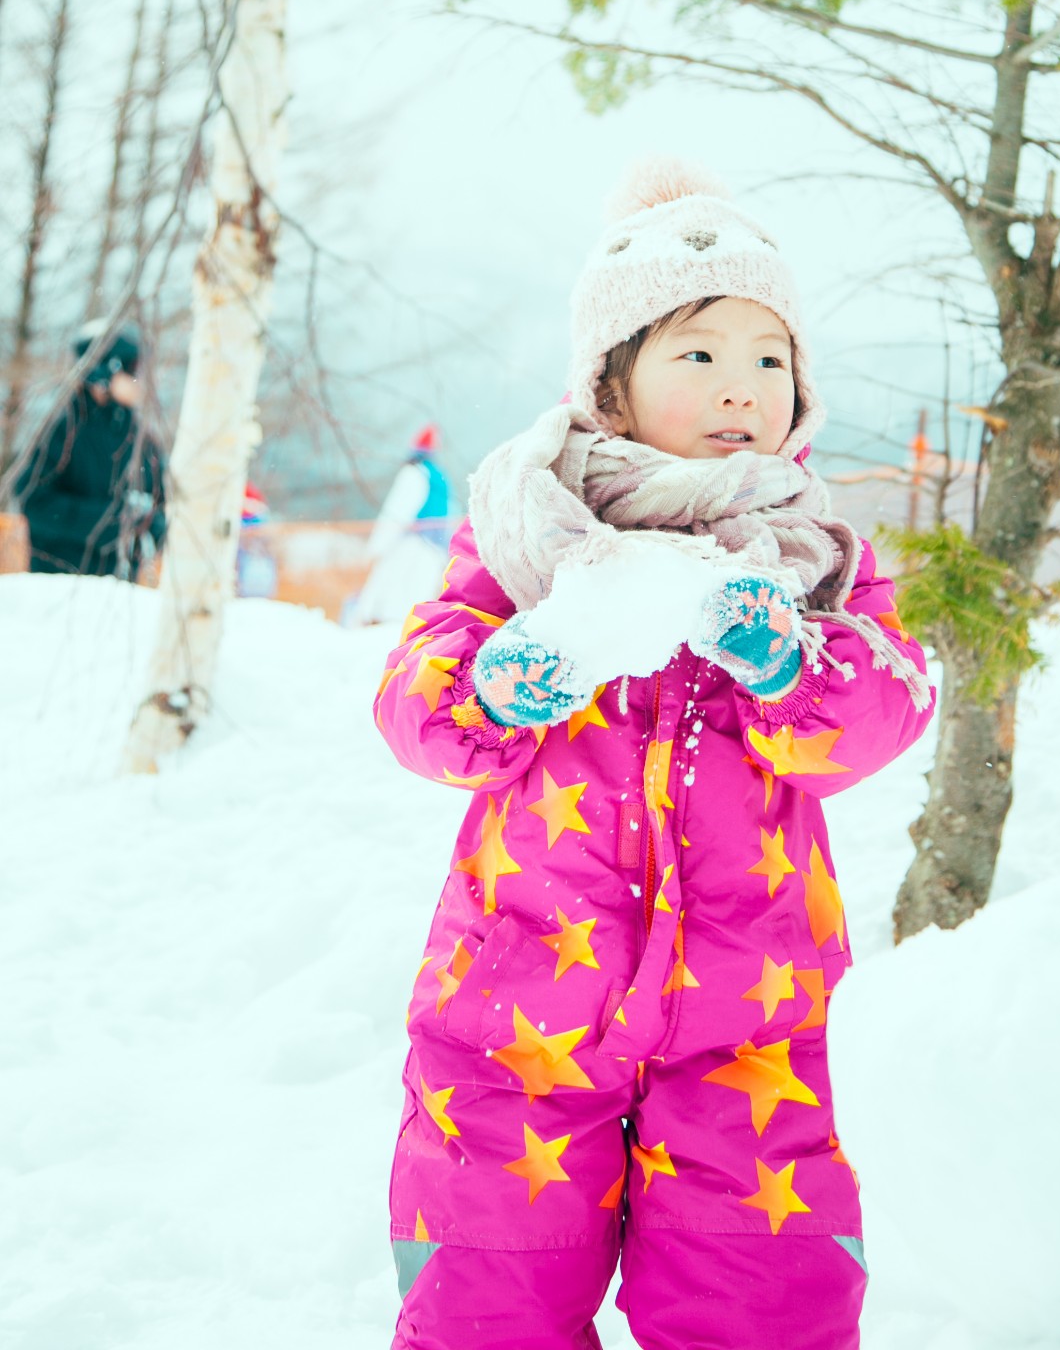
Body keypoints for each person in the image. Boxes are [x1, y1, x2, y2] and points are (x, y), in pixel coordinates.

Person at [374, 159, 936, 1350]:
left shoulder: (813, 553)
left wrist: (787, 662)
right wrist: (504, 683)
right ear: (611, 389)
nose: (743, 387)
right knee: (489, 1304)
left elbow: (893, 700)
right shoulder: (528, 534)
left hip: (756, 1028)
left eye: (769, 359)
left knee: (764, 1305)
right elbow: (413, 700)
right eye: (698, 355)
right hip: (514, 1017)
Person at [15, 319, 166, 581]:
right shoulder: (63, 430)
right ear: (106, 371)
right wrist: (111, 521)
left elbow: (160, 499)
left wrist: (153, 524)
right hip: (60, 585)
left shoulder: (141, 437)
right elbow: (33, 500)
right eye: (132, 370)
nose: (140, 381)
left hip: (120, 593)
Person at [349, 425, 451, 626]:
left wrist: (375, 547)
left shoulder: (415, 473)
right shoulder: (440, 477)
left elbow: (396, 513)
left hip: (409, 546)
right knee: (415, 607)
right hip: (433, 550)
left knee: (387, 603)